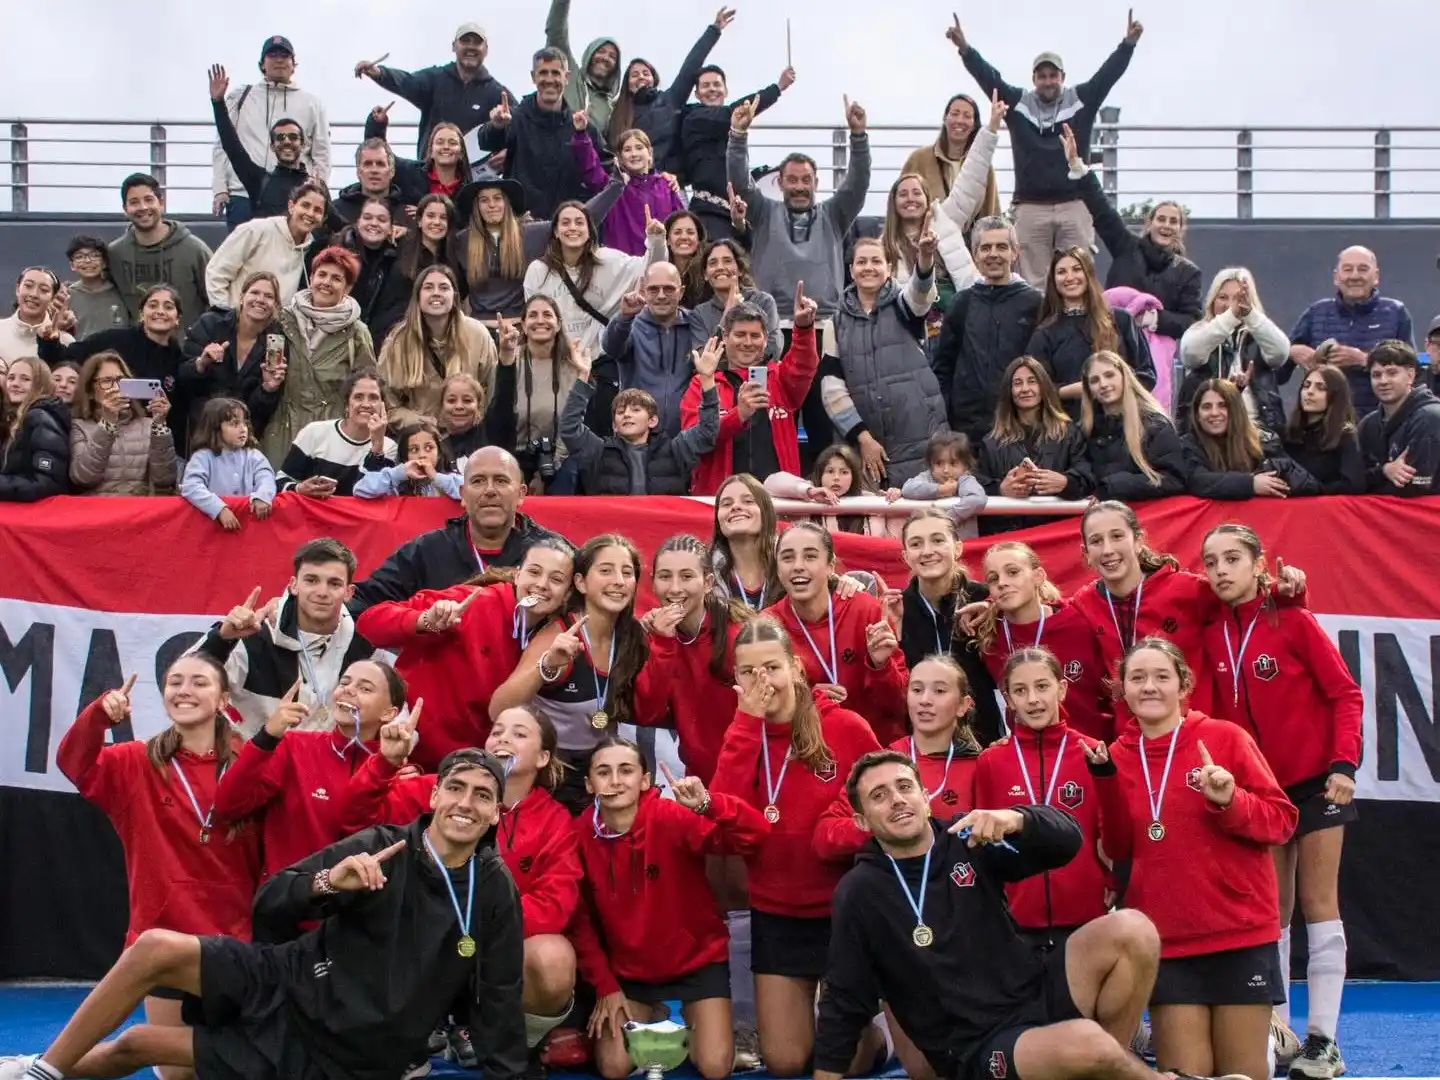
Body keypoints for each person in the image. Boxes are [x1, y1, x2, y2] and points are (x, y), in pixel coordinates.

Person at [0, 748, 527, 1080]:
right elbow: (271, 900)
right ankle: (40, 1071)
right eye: (455, 788)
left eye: (483, 796)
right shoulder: (382, 845)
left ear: (497, 813)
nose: (467, 802)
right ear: (434, 796)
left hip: (338, 1048)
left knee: (137, 1044)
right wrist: (327, 883)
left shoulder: (495, 890)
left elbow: (499, 997)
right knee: (156, 946)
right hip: (288, 979)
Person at [815, 750, 1200, 1080]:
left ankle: (1101, 1068)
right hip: (975, 1046)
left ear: (925, 796)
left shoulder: (967, 838)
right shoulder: (860, 890)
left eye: (904, 786)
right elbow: (844, 998)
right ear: (863, 821)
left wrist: (1019, 819)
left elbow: (1068, 844)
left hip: (1033, 993)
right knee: (1088, 1042)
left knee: (1134, 929)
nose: (897, 800)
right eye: (879, 796)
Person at [1085, 638, 1297, 1080]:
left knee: (1243, 1074)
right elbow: (1120, 850)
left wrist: (1230, 800)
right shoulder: (1117, 758)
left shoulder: (1224, 738)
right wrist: (1105, 781)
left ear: (1184, 685)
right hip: (1168, 940)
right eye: (1137, 678)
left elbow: (1280, 821)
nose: (1149, 687)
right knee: (1185, 1075)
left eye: (1162, 676)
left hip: (1239, 931)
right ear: (1121, 689)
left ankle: (1276, 1042)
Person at [1199, 524, 1362, 1080]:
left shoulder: (1292, 619)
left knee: (1320, 904)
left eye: (1232, 559)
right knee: (1272, 912)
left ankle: (1324, 1041)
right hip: (1257, 790)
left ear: (1258, 564)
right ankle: (1284, 1033)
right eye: (1211, 561)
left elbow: (1345, 693)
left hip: (1316, 782)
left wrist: (1344, 764)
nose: (1221, 570)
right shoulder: (1210, 631)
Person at [49, 656, 260, 1080]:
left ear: (223, 698)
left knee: (232, 1067)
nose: (184, 689)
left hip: (239, 944)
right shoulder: (136, 762)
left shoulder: (253, 762)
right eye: (174, 682)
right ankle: (31, 1070)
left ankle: (28, 1070)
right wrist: (97, 718)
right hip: (161, 941)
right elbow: (75, 764)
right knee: (176, 1074)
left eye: (199, 682)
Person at [340, 705, 580, 1070]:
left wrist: (478, 928)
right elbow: (355, 818)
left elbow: (555, 904)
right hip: (421, 942)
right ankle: (413, 1031)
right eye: (497, 730)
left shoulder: (556, 821)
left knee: (553, 956)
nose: (503, 738)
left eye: (519, 733)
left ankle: (513, 1044)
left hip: (494, 953)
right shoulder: (441, 789)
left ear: (543, 756)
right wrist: (384, 764)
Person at [710, 617, 883, 1076]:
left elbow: (880, 802)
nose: (760, 681)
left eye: (770, 667)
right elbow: (724, 821)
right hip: (777, 911)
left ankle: (873, 1036)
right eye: (747, 672)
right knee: (786, 1062)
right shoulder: (740, 734)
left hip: (841, 909)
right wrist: (746, 725)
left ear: (796, 667)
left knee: (842, 1059)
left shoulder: (844, 727)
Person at [572, 739, 767, 1080]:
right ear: (590, 784)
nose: (615, 780)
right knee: (614, 1067)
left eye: (626, 770)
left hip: (696, 961)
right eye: (604, 772)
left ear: (645, 780)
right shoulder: (578, 834)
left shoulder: (670, 817)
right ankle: (657, 1017)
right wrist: (605, 985)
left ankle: (695, 1029)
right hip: (628, 973)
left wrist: (709, 805)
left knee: (715, 1066)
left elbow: (753, 838)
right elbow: (579, 919)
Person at [947, 11, 1142, 285]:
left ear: (1062, 77)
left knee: (1077, 277)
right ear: (1034, 78)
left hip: (1074, 203)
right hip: (1031, 207)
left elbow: (1108, 75)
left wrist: (1128, 44)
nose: (1048, 81)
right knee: (1032, 281)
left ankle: (1080, 327)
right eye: (1042, 76)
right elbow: (989, 78)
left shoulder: (1082, 99)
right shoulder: (1019, 103)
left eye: (1053, 75)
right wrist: (965, 49)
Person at [728, 94, 870, 464]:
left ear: (816, 182)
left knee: (823, 417)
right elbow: (740, 182)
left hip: (823, 327)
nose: (799, 186)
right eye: (791, 179)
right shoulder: (763, 211)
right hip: (773, 329)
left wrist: (858, 136)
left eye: (806, 179)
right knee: (774, 413)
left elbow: (857, 185)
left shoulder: (834, 214)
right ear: (781, 182)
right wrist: (738, 136)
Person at [488, 534, 676, 811]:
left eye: (627, 572)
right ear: (580, 582)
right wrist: (548, 665)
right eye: (605, 571)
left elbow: (652, 711)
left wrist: (664, 641)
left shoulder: (633, 637)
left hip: (600, 771)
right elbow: (498, 709)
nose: (618, 581)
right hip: (550, 775)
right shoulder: (559, 633)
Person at [353, 537, 576, 769]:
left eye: (556, 579)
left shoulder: (557, 636)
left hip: (470, 767)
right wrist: (424, 621)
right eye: (534, 572)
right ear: (518, 575)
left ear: (568, 592)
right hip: (406, 752)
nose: (541, 584)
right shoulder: (472, 602)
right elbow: (369, 623)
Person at [212, 659, 406, 879]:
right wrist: (266, 737)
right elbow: (228, 805)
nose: (348, 691)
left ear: (389, 713)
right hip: (290, 902)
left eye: (365, 688)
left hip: (359, 906)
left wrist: (388, 765)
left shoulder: (395, 772)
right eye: (344, 683)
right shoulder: (294, 746)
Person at [976, 647, 1109, 950]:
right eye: (1020, 691)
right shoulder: (991, 761)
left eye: (1042, 686)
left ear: (1062, 689)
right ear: (1007, 699)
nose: (1033, 699)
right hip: (1017, 922)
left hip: (1086, 917)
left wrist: (1111, 883)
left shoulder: (1092, 753)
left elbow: (1109, 831)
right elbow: (985, 844)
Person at [194, 539, 375, 738]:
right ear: (293, 585)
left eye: (334, 583)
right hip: (255, 763)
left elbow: (393, 712)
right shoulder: (250, 635)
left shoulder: (364, 644)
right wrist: (222, 638)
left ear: (349, 592)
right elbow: (187, 685)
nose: (322, 592)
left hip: (329, 765)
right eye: (311, 580)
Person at [349, 446, 560, 615]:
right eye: (478, 481)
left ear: (521, 494)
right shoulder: (427, 550)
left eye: (501, 481)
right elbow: (364, 600)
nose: (489, 491)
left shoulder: (553, 553)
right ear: (463, 495)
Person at [765, 522, 908, 745]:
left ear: (831, 565)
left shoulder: (866, 610)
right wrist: (807, 700)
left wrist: (881, 667)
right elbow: (761, 709)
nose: (798, 566)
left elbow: (900, 705)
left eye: (810, 556)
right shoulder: (767, 626)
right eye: (787, 558)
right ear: (777, 568)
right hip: (805, 753)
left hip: (872, 755)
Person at [819, 234, 945, 487]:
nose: (868, 267)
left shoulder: (904, 306)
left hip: (919, 438)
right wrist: (863, 438)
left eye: (876, 261)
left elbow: (921, 294)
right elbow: (831, 389)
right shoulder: (835, 323)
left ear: (889, 268)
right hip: (863, 445)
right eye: (861, 262)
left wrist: (926, 257)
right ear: (851, 270)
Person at [1061, 124, 1201, 347]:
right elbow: (1102, 211)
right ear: (1149, 223)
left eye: (1174, 221)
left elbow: (1193, 321)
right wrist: (1078, 167)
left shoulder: (1188, 273)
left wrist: (1153, 319)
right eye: (1161, 219)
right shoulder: (1126, 246)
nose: (1167, 225)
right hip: (1111, 342)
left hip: (1156, 356)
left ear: (1180, 229)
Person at [970, 542, 1112, 742]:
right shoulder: (989, 637)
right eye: (993, 579)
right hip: (1029, 758)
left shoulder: (1079, 620)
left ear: (1039, 576)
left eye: (1013, 572)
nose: (1002, 582)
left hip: (1089, 751)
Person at [684, 291, 819, 494]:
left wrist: (803, 328)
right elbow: (692, 442)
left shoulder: (780, 378)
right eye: (740, 335)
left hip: (779, 500)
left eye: (755, 335)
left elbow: (804, 365)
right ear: (726, 337)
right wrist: (738, 415)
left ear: (765, 340)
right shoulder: (701, 383)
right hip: (722, 501)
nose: (747, 342)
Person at [35, 283, 189, 455]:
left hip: (155, 447)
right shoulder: (114, 340)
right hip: (108, 439)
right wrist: (49, 342)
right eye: (152, 305)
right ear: (141, 314)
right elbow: (64, 358)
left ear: (178, 318)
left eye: (168, 307)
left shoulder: (180, 358)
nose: (160, 311)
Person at [892, 508, 1002, 745]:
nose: (927, 551)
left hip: (985, 740)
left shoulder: (986, 599)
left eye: (938, 540)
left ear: (958, 548)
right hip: (920, 745)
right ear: (905, 556)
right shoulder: (896, 610)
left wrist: (997, 612)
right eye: (916, 543)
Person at [260, 246, 377, 465]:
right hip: (282, 430)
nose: (326, 282)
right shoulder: (283, 320)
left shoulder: (357, 332)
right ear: (311, 277)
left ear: (347, 288)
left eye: (336, 278)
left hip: (332, 433)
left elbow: (368, 385)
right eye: (322, 274)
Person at [933, 217, 1045, 444]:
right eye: (985, 248)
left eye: (1001, 247)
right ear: (975, 254)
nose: (993, 254)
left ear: (1015, 252)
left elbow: (1043, 368)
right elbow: (943, 368)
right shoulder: (960, 303)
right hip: (967, 431)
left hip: (1020, 428)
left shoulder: (1035, 303)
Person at [561, 335, 719, 493]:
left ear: (652, 420)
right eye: (620, 412)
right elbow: (570, 428)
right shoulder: (599, 451)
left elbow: (707, 431)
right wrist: (583, 376)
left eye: (636, 410)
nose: (626, 415)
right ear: (614, 425)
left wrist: (707, 379)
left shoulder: (675, 450)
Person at [475, 49, 612, 221]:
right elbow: (485, 142)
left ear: (567, 77)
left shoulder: (583, 127)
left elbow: (607, 174)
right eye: (543, 73)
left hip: (568, 229)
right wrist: (496, 126)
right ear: (533, 77)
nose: (549, 79)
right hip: (523, 226)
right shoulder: (515, 119)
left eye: (555, 73)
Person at [210, 37, 330, 230]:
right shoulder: (241, 95)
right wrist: (220, 188)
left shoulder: (312, 103)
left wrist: (319, 191)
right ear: (262, 65)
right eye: (272, 55)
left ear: (294, 65)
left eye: (285, 55)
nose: (279, 60)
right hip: (241, 194)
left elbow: (322, 152)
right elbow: (224, 144)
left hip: (292, 197)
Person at [523, 198, 666, 355]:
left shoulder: (609, 261)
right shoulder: (538, 270)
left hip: (600, 360)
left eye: (579, 222)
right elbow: (534, 319)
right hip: (557, 358)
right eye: (565, 223)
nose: (572, 228)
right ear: (556, 231)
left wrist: (656, 240)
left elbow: (651, 271)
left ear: (589, 230)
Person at [1026, 246, 1155, 420]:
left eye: (1077, 269)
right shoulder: (1045, 333)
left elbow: (1147, 375)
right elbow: (1035, 388)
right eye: (1061, 272)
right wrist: (1077, 390)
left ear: (1089, 274)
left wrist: (1110, 385)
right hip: (1070, 429)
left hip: (1120, 424)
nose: (1070, 277)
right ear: (1054, 281)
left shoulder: (1121, 320)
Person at [1289, 245, 1415, 419]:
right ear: (1336, 277)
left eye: (1362, 269)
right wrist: (1291, 351)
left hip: (1380, 423)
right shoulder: (1316, 312)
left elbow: (1413, 371)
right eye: (1348, 269)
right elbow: (1278, 372)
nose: (1355, 276)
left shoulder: (1395, 312)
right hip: (1324, 425)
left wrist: (1364, 360)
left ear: (1376, 276)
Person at [605, 9, 732, 174]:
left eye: (646, 73)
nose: (641, 77)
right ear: (627, 84)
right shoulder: (618, 113)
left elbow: (691, 66)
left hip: (668, 182)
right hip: (630, 183)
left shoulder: (670, 100)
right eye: (634, 75)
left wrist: (714, 30)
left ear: (654, 79)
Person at [679, 62, 796, 241]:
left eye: (717, 84)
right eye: (705, 85)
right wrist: (777, 88)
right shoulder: (693, 117)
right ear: (696, 94)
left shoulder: (730, 127)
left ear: (725, 91)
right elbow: (731, 114)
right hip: (707, 213)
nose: (712, 89)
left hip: (738, 214)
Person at [354, 23, 512, 156]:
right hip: (430, 174)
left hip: (472, 180)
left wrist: (507, 151)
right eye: (465, 41)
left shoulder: (496, 92)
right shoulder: (435, 79)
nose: (471, 46)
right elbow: (407, 81)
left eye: (476, 42)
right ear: (454, 46)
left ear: (486, 50)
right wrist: (380, 73)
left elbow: (520, 121)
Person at [976, 356, 1093, 530]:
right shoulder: (991, 442)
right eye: (1017, 383)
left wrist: (1066, 482)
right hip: (1012, 537)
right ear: (1009, 391)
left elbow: (1089, 475)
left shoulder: (1069, 434)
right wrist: (1000, 490)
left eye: (1032, 381)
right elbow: (975, 485)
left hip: (1058, 534)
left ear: (1043, 387)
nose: (1025, 389)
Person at [378, 264, 501, 427]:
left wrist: (473, 423)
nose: (436, 293)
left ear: (454, 295)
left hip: (469, 435)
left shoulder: (478, 335)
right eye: (428, 287)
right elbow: (387, 403)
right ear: (418, 296)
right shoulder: (398, 340)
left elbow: (492, 391)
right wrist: (421, 422)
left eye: (444, 287)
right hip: (420, 437)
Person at [1177, 268, 1289, 434]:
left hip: (1258, 432)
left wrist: (1250, 314)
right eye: (1223, 297)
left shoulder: (1261, 333)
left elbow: (1281, 353)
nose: (1231, 305)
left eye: (1238, 298)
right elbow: (1191, 355)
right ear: (1212, 301)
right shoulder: (1200, 332)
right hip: (1207, 433)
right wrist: (1232, 317)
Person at [604, 262, 710, 438]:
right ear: (643, 292)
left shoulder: (695, 324)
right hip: (638, 439)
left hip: (685, 437)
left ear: (681, 292)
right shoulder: (631, 323)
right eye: (653, 289)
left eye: (668, 289)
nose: (661, 296)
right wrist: (624, 318)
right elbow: (612, 348)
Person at [179, 270, 287, 440]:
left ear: (276, 305)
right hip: (204, 430)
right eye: (255, 292)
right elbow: (183, 377)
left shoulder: (276, 343)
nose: (260, 299)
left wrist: (268, 388)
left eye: (268, 296)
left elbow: (261, 411)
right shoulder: (211, 324)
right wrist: (201, 363)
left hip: (244, 436)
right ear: (242, 297)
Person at [1182, 379, 1317, 499]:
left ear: (1236, 410)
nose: (1214, 413)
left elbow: (1306, 483)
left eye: (1223, 405)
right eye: (1206, 407)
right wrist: (1251, 484)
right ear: (1197, 414)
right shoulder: (1187, 446)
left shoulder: (1264, 441)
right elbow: (1198, 480)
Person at [205, 180, 329, 310]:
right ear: (291, 206)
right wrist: (224, 316)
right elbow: (216, 272)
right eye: (305, 205)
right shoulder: (256, 230)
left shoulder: (312, 250)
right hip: (236, 324)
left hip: (273, 327)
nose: (310, 213)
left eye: (318, 210)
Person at [67, 350, 177, 496]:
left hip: (139, 510)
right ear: (91, 392)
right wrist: (107, 424)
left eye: (121, 380)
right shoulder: (79, 426)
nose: (116, 388)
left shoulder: (147, 425)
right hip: (98, 511)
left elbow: (165, 480)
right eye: (107, 381)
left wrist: (160, 426)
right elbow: (84, 478)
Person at [108, 173, 213, 326]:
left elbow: (216, 299)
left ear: (161, 203)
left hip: (187, 347)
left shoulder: (194, 249)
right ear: (125, 209)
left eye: (149, 200)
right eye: (134, 202)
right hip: (138, 347)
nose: (143, 207)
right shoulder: (116, 253)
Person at [1080, 350, 1186, 501]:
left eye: (1109, 375)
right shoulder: (1083, 430)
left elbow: (1173, 480)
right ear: (1089, 389)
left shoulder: (1155, 425)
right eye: (1094, 380)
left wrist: (1115, 485)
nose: (1103, 384)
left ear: (1125, 377)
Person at [276, 368, 396, 496]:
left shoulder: (388, 448)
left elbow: (371, 494)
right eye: (358, 397)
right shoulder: (314, 432)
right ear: (346, 404)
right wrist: (300, 489)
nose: (366, 404)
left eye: (373, 398)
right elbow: (280, 483)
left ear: (383, 406)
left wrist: (377, 447)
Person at [898, 93, 1001, 237]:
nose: (960, 120)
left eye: (967, 116)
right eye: (954, 114)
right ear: (945, 118)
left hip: (969, 247)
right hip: (925, 243)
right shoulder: (919, 159)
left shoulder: (984, 168)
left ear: (974, 125)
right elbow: (897, 203)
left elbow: (992, 211)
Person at [574, 127, 686, 257]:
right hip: (623, 266)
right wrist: (581, 134)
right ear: (620, 158)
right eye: (627, 150)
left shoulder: (666, 185)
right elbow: (590, 167)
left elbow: (680, 223)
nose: (634, 154)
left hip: (660, 263)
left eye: (639, 147)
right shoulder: (613, 187)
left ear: (649, 153)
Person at [763, 442, 901, 538]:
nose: (836, 478)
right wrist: (810, 491)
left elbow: (891, 544)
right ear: (820, 474)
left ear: (854, 475)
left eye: (844, 472)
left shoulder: (872, 502)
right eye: (829, 471)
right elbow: (770, 483)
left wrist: (896, 500)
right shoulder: (808, 498)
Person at [1357, 339, 1440, 495]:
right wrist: (1384, 470)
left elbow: (1415, 488)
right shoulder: (1368, 425)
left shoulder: (1430, 418)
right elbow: (1355, 481)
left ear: (1410, 375)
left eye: (1392, 373)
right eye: (1376, 375)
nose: (1383, 381)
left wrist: (1374, 478)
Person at [181, 397, 277, 530]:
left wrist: (262, 496)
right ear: (215, 428)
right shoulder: (202, 457)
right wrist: (219, 509)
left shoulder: (254, 455)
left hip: (247, 528)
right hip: (211, 529)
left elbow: (266, 477)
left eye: (244, 423)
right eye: (234, 424)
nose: (243, 429)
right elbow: (191, 487)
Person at [334, 198, 412, 346]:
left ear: (391, 227)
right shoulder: (338, 253)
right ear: (358, 222)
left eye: (381, 220)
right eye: (367, 217)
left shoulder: (401, 260)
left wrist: (409, 235)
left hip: (382, 345)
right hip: (339, 342)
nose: (374, 223)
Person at [691, 240, 782, 358]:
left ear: (740, 270)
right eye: (713, 263)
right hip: (717, 377)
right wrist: (727, 315)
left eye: (727, 261)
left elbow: (773, 351)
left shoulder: (763, 302)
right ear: (705, 275)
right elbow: (702, 359)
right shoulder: (699, 314)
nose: (720, 267)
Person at [1281, 366, 1365, 495]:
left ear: (1335, 396)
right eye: (1306, 386)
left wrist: (1314, 489)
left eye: (1321, 388)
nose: (1310, 392)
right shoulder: (1288, 433)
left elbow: (1352, 484)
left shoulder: (1345, 435)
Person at [546, 0, 622, 140]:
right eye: (601, 51)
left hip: (586, 159)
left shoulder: (612, 109)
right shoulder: (570, 74)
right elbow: (556, 33)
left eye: (612, 56)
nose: (605, 58)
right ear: (590, 54)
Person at [362, 108, 470, 203]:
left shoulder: (469, 189)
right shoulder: (410, 173)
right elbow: (382, 156)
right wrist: (376, 125)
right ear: (431, 151)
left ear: (461, 152)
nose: (446, 147)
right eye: (440, 142)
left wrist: (423, 211)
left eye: (452, 143)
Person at [0, 357, 70, 502]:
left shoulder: (40, 418)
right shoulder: (12, 418)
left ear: (41, 384)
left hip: (32, 515)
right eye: (11, 378)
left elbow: (47, 483)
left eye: (25, 379)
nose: (15, 384)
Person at [711, 473, 784, 611]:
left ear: (766, 512)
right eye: (726, 504)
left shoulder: (790, 563)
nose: (735, 507)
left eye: (748, 501)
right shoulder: (704, 572)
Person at [898, 431, 989, 538]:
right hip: (928, 544)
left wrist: (949, 518)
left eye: (953, 463)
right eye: (939, 463)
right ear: (930, 465)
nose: (946, 470)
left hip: (962, 546)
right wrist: (940, 490)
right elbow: (908, 489)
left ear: (965, 465)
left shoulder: (965, 480)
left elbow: (977, 500)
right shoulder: (927, 477)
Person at [356, 420, 461, 500]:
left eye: (429, 448)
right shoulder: (395, 485)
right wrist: (398, 474)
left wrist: (436, 477)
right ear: (405, 457)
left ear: (439, 454)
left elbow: (470, 492)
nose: (422, 455)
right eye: (414, 450)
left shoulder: (450, 482)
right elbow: (360, 490)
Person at [438, 369, 517, 461]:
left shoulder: (489, 433)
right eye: (451, 401)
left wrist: (506, 362)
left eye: (467, 400)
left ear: (478, 406)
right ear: (441, 405)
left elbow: (503, 399)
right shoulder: (432, 443)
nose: (459, 406)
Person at [0, 268, 72, 366]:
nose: (34, 294)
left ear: (53, 298)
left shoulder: (65, 341)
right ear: (17, 289)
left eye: (44, 290)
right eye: (28, 286)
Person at [331, 139, 409, 226]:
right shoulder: (336, 211)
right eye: (367, 164)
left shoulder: (407, 214)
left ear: (392, 172)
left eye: (380, 164)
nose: (374, 170)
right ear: (358, 172)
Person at [63, 235, 128, 337]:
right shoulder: (66, 296)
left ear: (104, 262)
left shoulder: (121, 291)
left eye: (94, 255)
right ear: (72, 265)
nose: (88, 261)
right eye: (80, 257)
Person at [665, 211, 710, 309]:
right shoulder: (659, 269)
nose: (684, 237)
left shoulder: (707, 272)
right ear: (668, 240)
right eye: (677, 232)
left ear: (698, 239)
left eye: (690, 232)